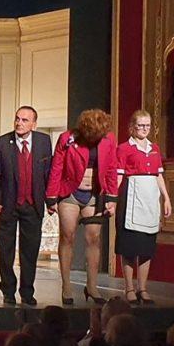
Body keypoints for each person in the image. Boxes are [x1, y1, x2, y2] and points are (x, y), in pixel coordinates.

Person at [45, 108, 119, 305]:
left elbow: (111, 167)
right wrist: (51, 197)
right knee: (67, 236)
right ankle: (66, 286)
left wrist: (112, 197)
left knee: (93, 238)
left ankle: (92, 286)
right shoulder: (67, 138)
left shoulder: (108, 139)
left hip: (95, 194)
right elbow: (56, 167)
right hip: (70, 192)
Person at [0, 105, 52, 306]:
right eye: (17, 118)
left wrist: (51, 200)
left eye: (25, 120)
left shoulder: (44, 141)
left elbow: (48, 173)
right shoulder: (1, 143)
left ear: (34, 124)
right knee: (6, 251)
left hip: (32, 205)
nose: (19, 123)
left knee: (30, 252)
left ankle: (27, 292)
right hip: (8, 205)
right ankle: (8, 291)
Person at [115, 110, 172, 304]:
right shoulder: (124, 148)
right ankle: (129, 288)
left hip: (150, 199)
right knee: (130, 247)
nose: (144, 129)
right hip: (131, 196)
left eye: (147, 125)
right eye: (141, 125)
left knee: (147, 247)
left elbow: (158, 175)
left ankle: (143, 288)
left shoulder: (154, 148)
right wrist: (112, 199)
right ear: (132, 127)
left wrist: (166, 198)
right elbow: (119, 176)